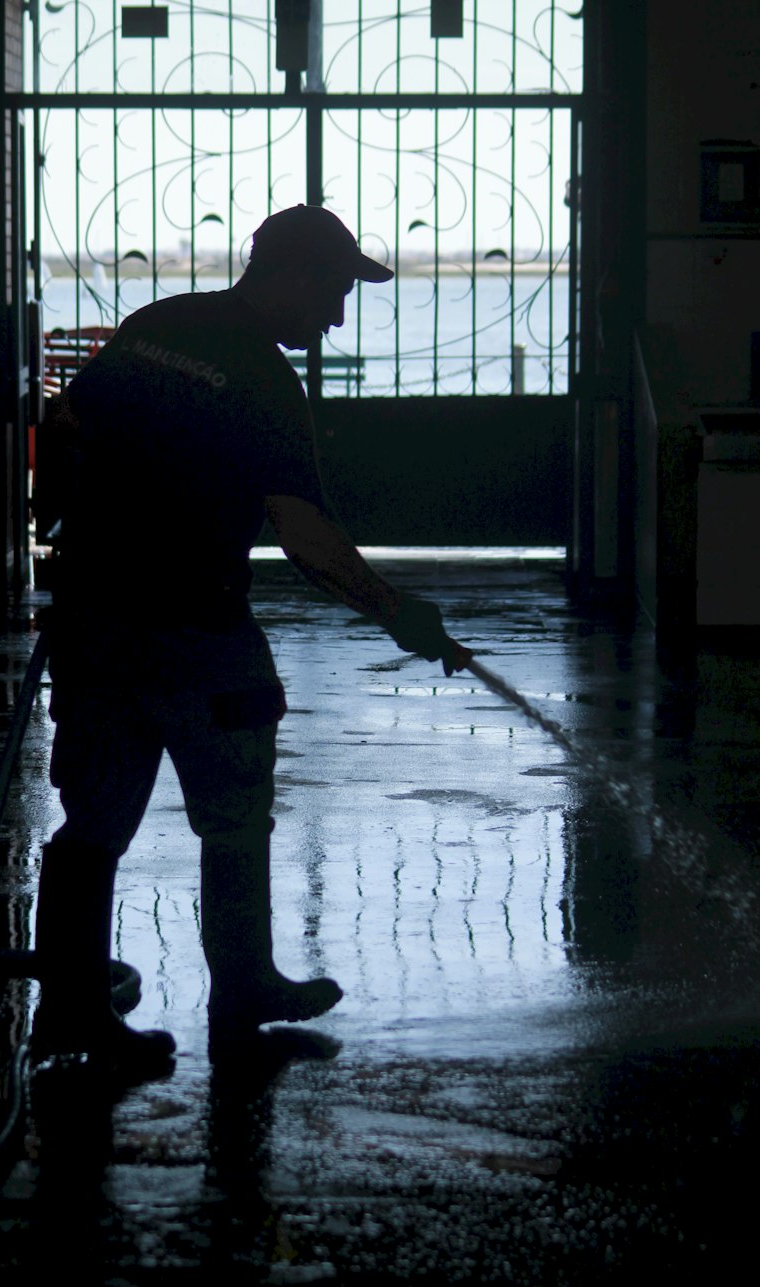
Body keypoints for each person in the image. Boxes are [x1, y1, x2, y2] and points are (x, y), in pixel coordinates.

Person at [33, 204, 471, 1077]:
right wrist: (397, 612)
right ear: (293, 277)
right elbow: (302, 535)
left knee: (92, 820)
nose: (338, 317)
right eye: (335, 293)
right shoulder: (267, 386)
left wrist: (71, 523)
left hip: (96, 617)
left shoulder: (158, 325)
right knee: (234, 812)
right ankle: (242, 986)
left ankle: (74, 1010)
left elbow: (67, 423)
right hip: (198, 629)